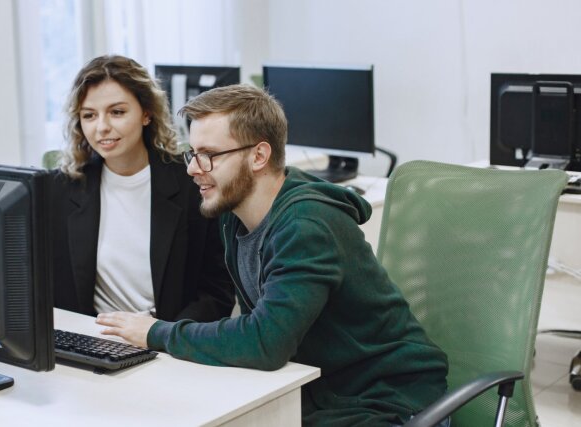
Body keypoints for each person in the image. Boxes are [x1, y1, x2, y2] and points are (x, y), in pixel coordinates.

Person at [96, 84, 449, 426]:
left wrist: (157, 333)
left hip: (392, 401)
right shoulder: (233, 217)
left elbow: (265, 343)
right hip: (323, 394)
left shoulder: (307, 226)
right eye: (192, 153)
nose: (192, 168)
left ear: (259, 156)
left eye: (209, 155)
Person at [48, 55, 234, 323]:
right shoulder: (61, 190)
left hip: (169, 343)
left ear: (146, 113)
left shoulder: (192, 183)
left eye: (117, 112)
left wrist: (163, 336)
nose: (102, 127)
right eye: (89, 115)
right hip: (94, 342)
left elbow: (217, 292)